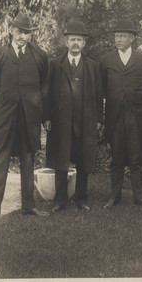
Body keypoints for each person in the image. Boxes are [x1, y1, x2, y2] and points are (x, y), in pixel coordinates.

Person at [0, 12, 49, 221]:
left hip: (29, 118)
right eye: (19, 31)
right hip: (5, 118)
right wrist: (2, 102)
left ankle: (29, 205)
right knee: (0, 160)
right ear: (11, 31)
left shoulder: (39, 56)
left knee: (28, 159)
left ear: (30, 35)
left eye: (26, 33)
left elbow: (44, 86)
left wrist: (37, 108)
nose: (22, 36)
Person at [44, 21, 103, 212]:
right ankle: (59, 200)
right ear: (66, 42)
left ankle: (81, 199)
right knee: (60, 161)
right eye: (72, 40)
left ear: (84, 43)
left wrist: (99, 119)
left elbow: (98, 95)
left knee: (83, 161)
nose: (75, 43)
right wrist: (46, 117)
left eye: (79, 40)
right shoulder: (54, 65)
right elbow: (47, 93)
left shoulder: (92, 66)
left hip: (84, 122)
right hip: (61, 122)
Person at [100, 19, 142, 208]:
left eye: (122, 36)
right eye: (116, 36)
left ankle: (139, 196)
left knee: (136, 157)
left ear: (132, 38)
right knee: (117, 157)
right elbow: (102, 89)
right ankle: (114, 197)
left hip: (137, 116)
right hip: (115, 116)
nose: (118, 39)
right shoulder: (106, 60)